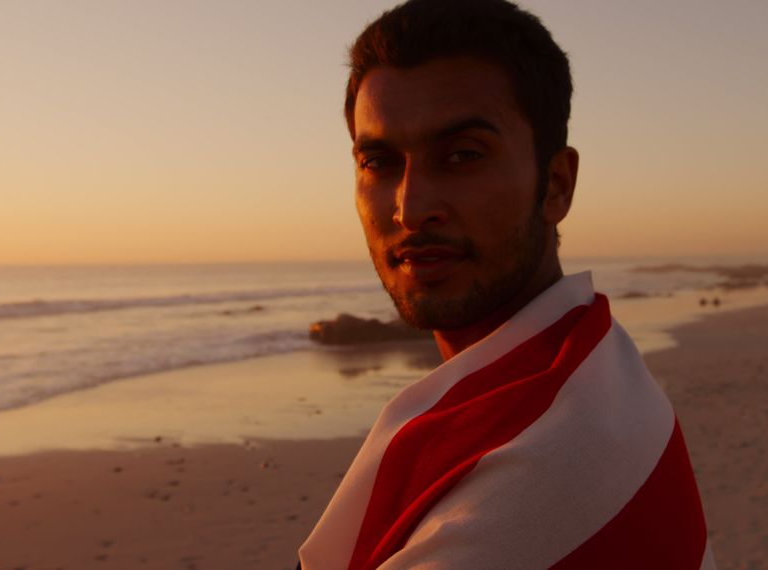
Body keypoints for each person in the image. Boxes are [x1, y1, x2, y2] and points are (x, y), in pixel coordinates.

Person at [299, 0, 714, 568]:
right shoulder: (595, 363)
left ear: (556, 186)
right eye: (379, 162)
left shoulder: (530, 478)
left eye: (463, 155)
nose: (411, 208)